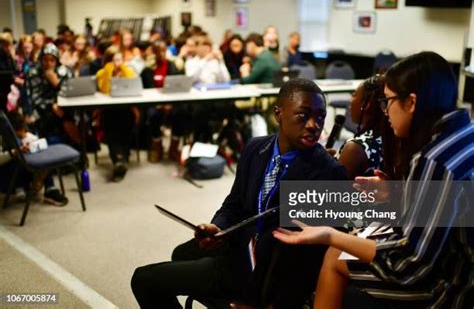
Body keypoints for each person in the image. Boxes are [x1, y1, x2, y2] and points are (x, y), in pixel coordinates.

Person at [273, 52, 474, 309]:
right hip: (451, 259)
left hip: (454, 286)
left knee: (302, 215)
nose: (385, 111)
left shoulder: (427, 157)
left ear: (411, 103)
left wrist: (330, 234)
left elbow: (410, 265)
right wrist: (396, 195)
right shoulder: (462, 133)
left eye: (387, 101)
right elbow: (447, 203)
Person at [131, 78, 347, 308]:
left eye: (321, 117)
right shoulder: (256, 148)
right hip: (240, 243)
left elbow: (312, 259)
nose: (314, 125)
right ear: (278, 114)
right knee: (181, 253)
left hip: (262, 272)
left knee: (144, 279)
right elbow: (235, 203)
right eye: (304, 115)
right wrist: (218, 226)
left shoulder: (327, 172)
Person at [96, 45, 139, 182]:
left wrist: (123, 70)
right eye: (114, 60)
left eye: (120, 59)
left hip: (126, 108)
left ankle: (120, 161)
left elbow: (132, 85)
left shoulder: (128, 71)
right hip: (108, 109)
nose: (118, 63)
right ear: (108, 61)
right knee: (110, 126)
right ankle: (120, 160)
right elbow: (104, 90)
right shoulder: (102, 73)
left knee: (126, 124)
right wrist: (109, 71)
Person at [24, 43, 81, 145]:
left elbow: (71, 92)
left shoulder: (65, 71)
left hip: (63, 106)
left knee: (76, 116)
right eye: (45, 59)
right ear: (40, 59)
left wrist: (56, 83)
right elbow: (32, 96)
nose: (48, 63)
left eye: (52, 60)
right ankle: (78, 147)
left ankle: (78, 148)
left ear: (57, 60)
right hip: (41, 109)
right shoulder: (33, 73)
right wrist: (51, 105)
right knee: (62, 117)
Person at [335, 75, 388, 179]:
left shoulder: (355, 149)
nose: (350, 101)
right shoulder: (392, 138)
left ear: (366, 104)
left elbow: (333, 193)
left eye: (354, 95)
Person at [140, 41, 183, 162]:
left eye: (163, 50)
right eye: (157, 51)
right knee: (153, 115)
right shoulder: (148, 69)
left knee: (180, 113)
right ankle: (157, 148)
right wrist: (157, 104)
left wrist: (169, 104)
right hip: (154, 103)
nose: (161, 54)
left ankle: (173, 148)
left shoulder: (172, 65)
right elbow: (145, 89)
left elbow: (178, 86)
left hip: (172, 101)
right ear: (153, 53)